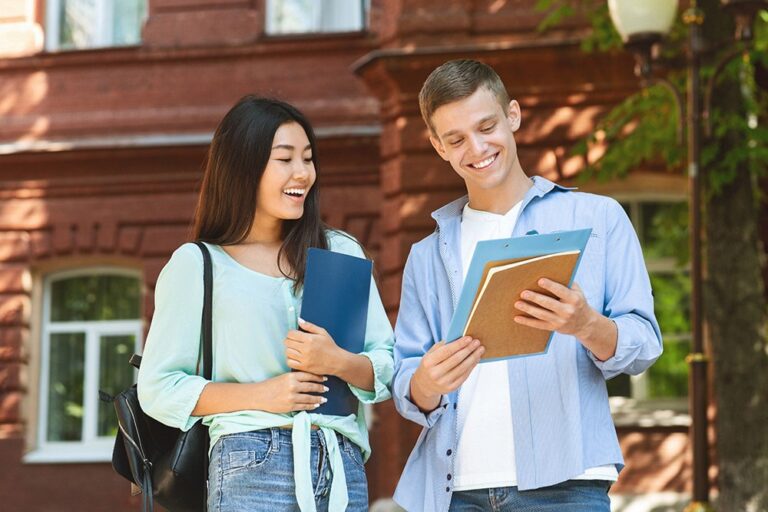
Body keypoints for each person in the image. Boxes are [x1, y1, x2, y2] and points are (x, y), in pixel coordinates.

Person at [391, 59, 663, 511]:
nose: (476, 148)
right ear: (438, 146)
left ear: (512, 116)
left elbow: (646, 342)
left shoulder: (596, 218)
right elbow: (407, 381)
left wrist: (585, 324)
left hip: (567, 486)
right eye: (456, 139)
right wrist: (425, 381)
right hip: (454, 492)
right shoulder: (427, 253)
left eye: (487, 126)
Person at [137, 96, 394, 512]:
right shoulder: (199, 264)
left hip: (340, 462)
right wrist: (263, 394)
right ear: (243, 166)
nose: (302, 173)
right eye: (285, 158)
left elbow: (385, 365)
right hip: (250, 464)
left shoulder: (340, 252)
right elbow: (159, 388)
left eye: (308, 159)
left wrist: (337, 360)